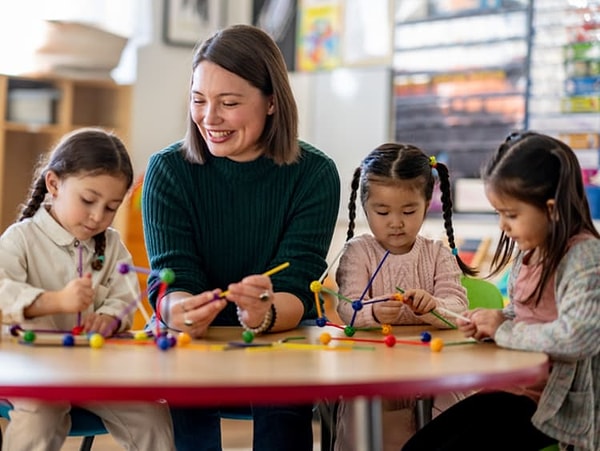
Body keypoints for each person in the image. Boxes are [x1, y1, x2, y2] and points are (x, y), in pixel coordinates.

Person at [141, 24, 340, 451]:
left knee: (282, 407)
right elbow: (169, 278)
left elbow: (299, 285)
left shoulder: (314, 174)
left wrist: (264, 314)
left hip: (278, 336)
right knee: (186, 396)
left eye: (228, 103)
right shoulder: (168, 171)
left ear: (271, 102)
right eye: (198, 101)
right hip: (192, 343)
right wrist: (181, 310)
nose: (209, 118)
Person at [402, 132, 600, 451]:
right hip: (513, 390)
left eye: (511, 214)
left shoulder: (585, 257)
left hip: (551, 406)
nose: (504, 227)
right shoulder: (529, 252)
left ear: (551, 210)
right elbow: (526, 315)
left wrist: (504, 329)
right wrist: (492, 322)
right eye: (499, 214)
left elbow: (577, 336)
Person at [0, 128, 175, 451]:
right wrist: (55, 301)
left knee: (149, 410)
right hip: (29, 369)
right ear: (54, 184)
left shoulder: (111, 245)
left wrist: (109, 317)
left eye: (110, 207)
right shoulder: (20, 239)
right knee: (42, 414)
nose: (98, 217)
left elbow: (123, 296)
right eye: (88, 200)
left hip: (92, 370)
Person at [334, 142, 476, 450]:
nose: (396, 222)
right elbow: (347, 307)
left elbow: (458, 310)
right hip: (374, 371)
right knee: (371, 421)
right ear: (365, 207)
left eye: (408, 211)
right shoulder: (358, 252)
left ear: (427, 203)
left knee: (458, 415)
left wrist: (433, 307)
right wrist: (371, 313)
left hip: (433, 370)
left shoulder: (437, 253)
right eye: (382, 211)